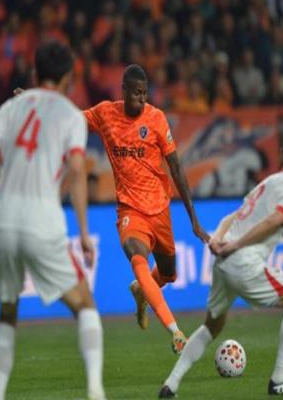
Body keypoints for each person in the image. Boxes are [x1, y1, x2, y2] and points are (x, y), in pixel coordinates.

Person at [0, 41, 106, 400]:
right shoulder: (71, 116)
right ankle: (95, 390)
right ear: (68, 78)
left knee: (7, 312)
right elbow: (76, 172)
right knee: (85, 306)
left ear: (36, 73)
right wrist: (84, 233)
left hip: (4, 222)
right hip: (43, 220)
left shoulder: (11, 107)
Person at [159, 126, 283, 397]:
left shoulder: (268, 183)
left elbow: (235, 215)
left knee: (212, 326)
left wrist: (217, 239)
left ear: (281, 153)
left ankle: (171, 384)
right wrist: (236, 245)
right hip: (242, 261)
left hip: (222, 261)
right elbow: (273, 220)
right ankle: (278, 380)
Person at [84, 64, 209, 354]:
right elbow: (68, 119)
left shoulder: (156, 119)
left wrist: (194, 219)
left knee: (168, 274)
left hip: (160, 210)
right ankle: (175, 331)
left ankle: (142, 291)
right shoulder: (105, 114)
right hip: (130, 211)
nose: (141, 99)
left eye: (145, 93)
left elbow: (176, 168)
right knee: (137, 257)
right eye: (136, 93)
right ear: (124, 90)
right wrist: (37, 103)